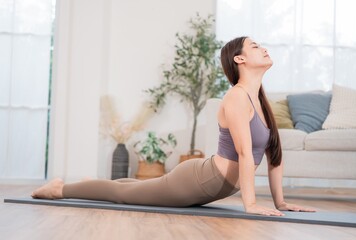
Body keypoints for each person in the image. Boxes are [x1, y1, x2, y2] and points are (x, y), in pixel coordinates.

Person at [32, 36, 315, 216]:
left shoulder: (260, 100)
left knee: (134, 188)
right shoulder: (237, 97)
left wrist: (281, 202)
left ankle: (86, 186)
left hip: (209, 182)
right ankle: (59, 189)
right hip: (197, 181)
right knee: (123, 195)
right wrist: (251, 205)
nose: (264, 48)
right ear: (239, 59)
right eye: (255, 46)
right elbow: (244, 155)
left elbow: (273, 156)